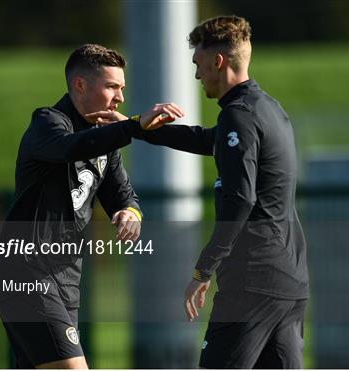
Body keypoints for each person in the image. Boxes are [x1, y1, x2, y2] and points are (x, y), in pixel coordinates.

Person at [88, 15, 309, 369]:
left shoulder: (240, 117)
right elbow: (207, 139)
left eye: (198, 64)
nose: (196, 75)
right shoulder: (266, 109)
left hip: (251, 284)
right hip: (289, 282)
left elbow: (241, 200)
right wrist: (134, 128)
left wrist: (202, 271)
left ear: (217, 62)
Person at [0, 44, 184, 369]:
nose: (119, 97)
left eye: (121, 88)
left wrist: (130, 214)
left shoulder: (106, 140)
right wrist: (133, 126)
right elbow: (72, 147)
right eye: (111, 86)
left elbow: (124, 195)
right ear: (80, 85)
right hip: (27, 273)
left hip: (66, 281)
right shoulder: (48, 123)